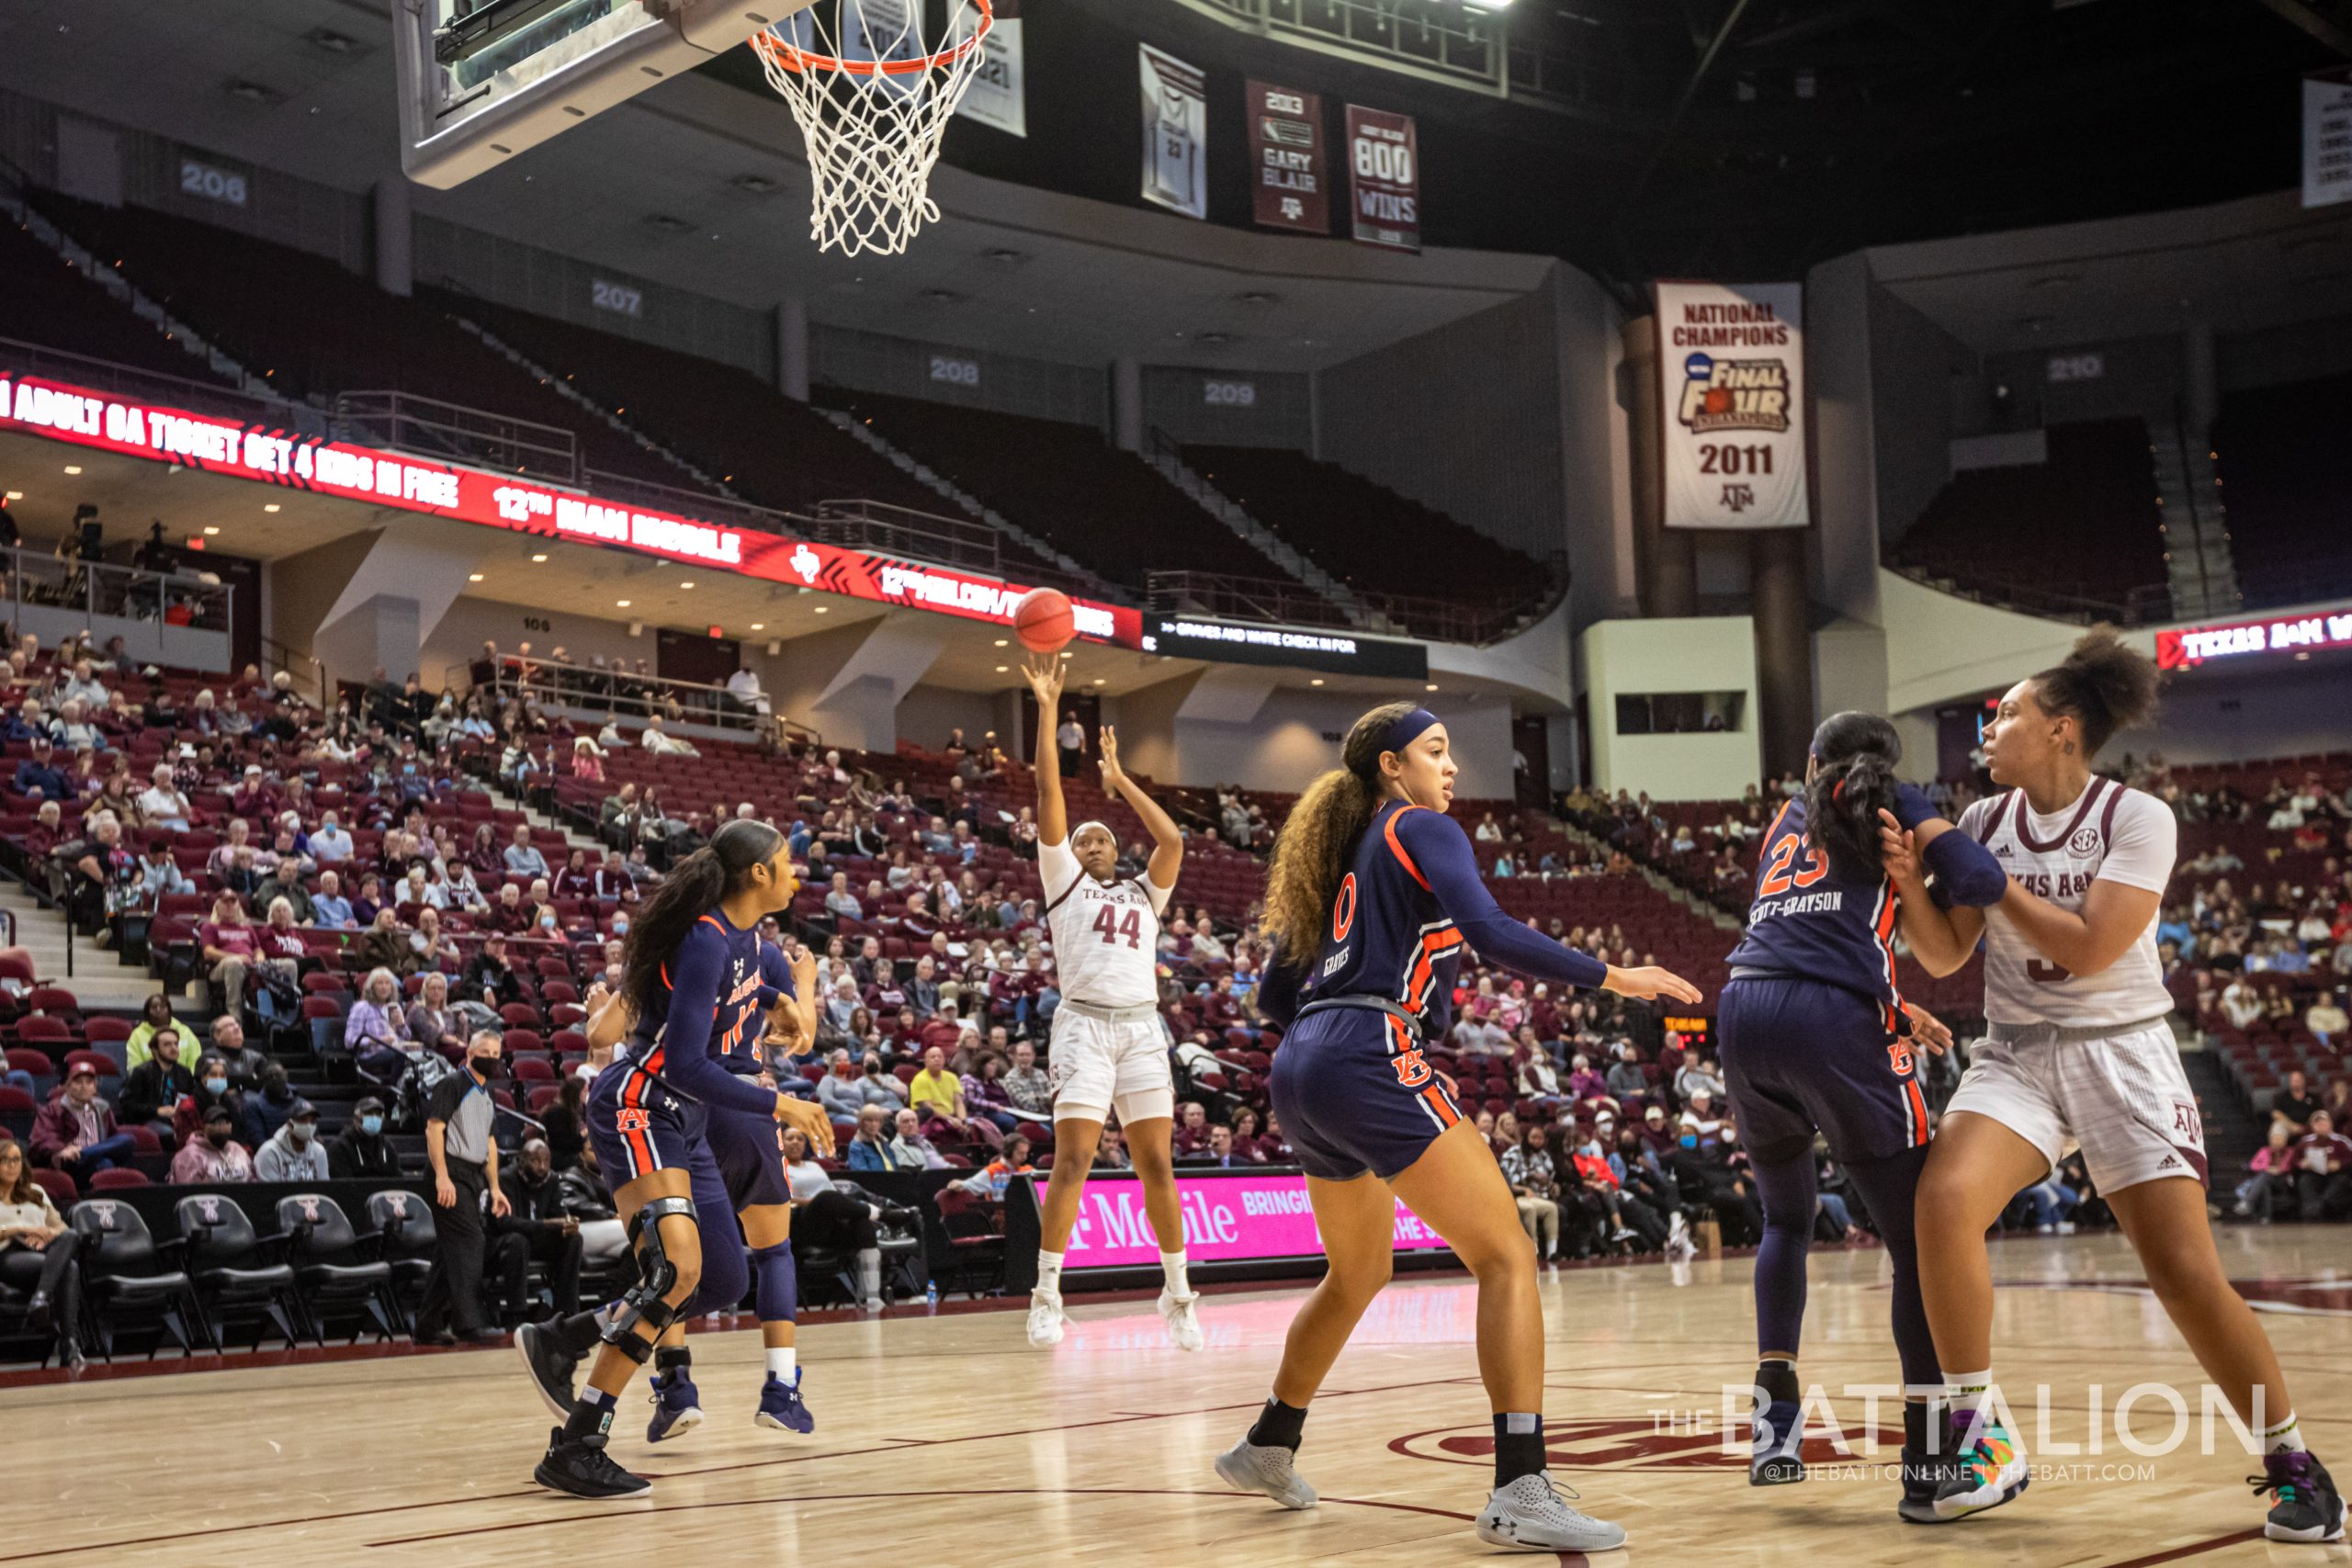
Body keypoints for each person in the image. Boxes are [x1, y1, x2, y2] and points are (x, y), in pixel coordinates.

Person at [1888, 630, 2343, 1541]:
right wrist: (1913, 889)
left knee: (2182, 1275)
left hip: (2122, 1051)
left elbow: (2091, 949)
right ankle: (1979, 1436)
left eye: (2008, 711)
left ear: (2061, 730)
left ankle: (2295, 1463)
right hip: (2016, 1052)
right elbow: (1945, 955)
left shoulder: (2134, 818)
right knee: (1939, 1203)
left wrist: (1988, 879)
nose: (1990, 726)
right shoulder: (1979, 824)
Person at [1216, 700, 1700, 1553]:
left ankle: (1268, 1443)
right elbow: (1491, 932)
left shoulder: (1340, 858)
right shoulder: (1420, 827)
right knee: (1507, 1254)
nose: (1451, 768)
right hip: (1369, 1050)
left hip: (1302, 1065)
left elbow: (1272, 997)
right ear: (1391, 770)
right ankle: (1520, 1487)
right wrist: (1614, 975)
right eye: (1436, 751)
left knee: (1357, 1273)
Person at [1716, 712, 2007, 1506]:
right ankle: (1928, 1466)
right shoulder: (1893, 803)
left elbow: (1805, 931)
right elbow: (1981, 883)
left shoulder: (1787, 815)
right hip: (1832, 1025)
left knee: (1785, 1222)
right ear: (1889, 766)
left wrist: (1889, 1001)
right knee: (1917, 1243)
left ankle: (1774, 1436)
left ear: (1810, 762)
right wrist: (1924, 862)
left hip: (1744, 1011)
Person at [514, 819, 833, 1499]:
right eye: (785, 863)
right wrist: (780, 1106)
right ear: (756, 875)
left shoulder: (751, 942)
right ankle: (579, 1441)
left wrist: (782, 1012)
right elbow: (685, 1062)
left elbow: (772, 1034)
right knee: (677, 1270)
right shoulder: (706, 941)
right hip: (639, 1103)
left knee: (716, 1279)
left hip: (683, 1121)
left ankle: (566, 1336)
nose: (794, 873)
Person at [1017, 655, 1199, 1353]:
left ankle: (1178, 1291)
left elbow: (1174, 840)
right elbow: (1045, 790)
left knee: (1158, 1164)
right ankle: (1047, 1293)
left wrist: (1120, 781)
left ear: (1116, 853)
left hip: (1141, 1029)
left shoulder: (1141, 893)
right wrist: (1045, 705)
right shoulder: (1064, 881)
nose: (1090, 842)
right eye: (1083, 838)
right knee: (1075, 1160)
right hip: (1084, 1025)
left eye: (1103, 839)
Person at [416, 1031, 513, 1349]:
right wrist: (442, 1177)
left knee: (449, 1253)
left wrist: (496, 1187)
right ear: (469, 1053)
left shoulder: (487, 1094)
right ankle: (467, 1322)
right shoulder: (452, 1084)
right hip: (450, 1171)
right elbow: (434, 1129)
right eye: (484, 1050)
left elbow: (490, 1143)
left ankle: (428, 1325)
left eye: (496, 1052)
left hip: (472, 1175)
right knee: (471, 1241)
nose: (491, 1056)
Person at [0, 1137, 86, 1367]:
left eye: (16, 1160)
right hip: (7, 1257)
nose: (12, 1165)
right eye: (5, 1160)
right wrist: (21, 1228)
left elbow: (60, 1228)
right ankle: (69, 1345)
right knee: (70, 1267)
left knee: (71, 1236)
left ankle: (41, 1298)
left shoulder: (36, 1192)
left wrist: (45, 1234)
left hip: (43, 1253)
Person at [492, 1139, 584, 1326]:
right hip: (505, 1242)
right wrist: (546, 1224)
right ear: (522, 1160)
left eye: (546, 1161)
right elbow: (504, 1222)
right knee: (518, 1241)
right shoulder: (506, 1178)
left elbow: (559, 1215)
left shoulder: (551, 1179)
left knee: (574, 1239)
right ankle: (517, 1313)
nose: (542, 1167)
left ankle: (566, 1310)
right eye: (535, 1161)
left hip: (536, 1241)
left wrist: (567, 1225)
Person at [33, 1062, 135, 1176]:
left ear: (95, 1087)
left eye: (89, 1082)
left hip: (95, 1157)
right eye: (78, 1082)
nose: (84, 1086)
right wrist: (62, 1149)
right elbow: (44, 1138)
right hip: (69, 1160)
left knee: (127, 1140)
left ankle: (84, 1154)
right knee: (106, 1164)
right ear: (67, 1086)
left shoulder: (103, 1108)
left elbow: (112, 1137)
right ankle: (83, 1156)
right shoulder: (54, 1108)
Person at [168, 1102, 256, 1183]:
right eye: (216, 1122)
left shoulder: (237, 1149)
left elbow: (252, 1179)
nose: (222, 1126)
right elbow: (189, 1192)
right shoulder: (190, 1155)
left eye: (226, 1122)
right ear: (204, 1127)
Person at [254, 1100, 329, 1181]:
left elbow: (324, 1188)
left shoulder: (319, 1151)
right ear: (290, 1124)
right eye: (303, 1120)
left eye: (313, 1121)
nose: (308, 1125)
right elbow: (270, 1192)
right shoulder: (269, 1152)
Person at [329, 1097, 401, 1179]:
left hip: (385, 1191)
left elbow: (398, 1178)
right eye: (369, 1113)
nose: (374, 1118)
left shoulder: (386, 1145)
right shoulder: (340, 1146)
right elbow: (342, 1185)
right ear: (356, 1118)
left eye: (378, 1114)